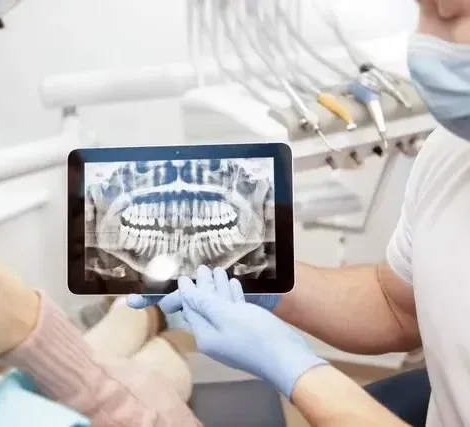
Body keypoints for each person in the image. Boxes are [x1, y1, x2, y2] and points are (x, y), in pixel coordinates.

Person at [128, 1, 470, 426]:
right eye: (427, 6)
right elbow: (395, 303)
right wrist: (259, 271)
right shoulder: (453, 150)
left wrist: (300, 372)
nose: (437, 18)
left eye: (458, 12)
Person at [0, 236, 201, 427]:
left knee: (113, 335)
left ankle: (137, 311)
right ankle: (165, 332)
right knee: (158, 362)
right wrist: (36, 331)